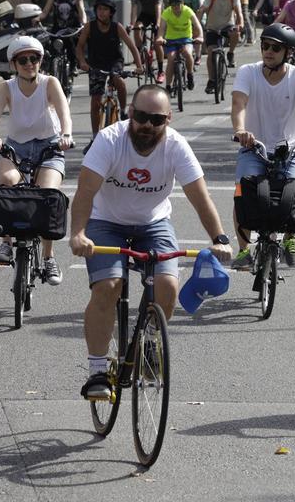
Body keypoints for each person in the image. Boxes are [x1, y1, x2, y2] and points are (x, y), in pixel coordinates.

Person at [69, 84, 233, 400]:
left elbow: (200, 196)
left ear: (168, 120)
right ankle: (98, 370)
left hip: (153, 223)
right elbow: (86, 192)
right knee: (108, 285)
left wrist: (220, 238)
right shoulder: (110, 140)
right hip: (106, 222)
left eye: (156, 120)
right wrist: (78, 233)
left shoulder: (175, 146)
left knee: (167, 285)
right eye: (141, 117)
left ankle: (149, 344)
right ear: (130, 113)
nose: (147, 125)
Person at [0, 35, 74, 283]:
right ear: (13, 64)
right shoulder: (7, 88)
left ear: (40, 60)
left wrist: (66, 135)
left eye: (34, 58)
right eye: (22, 60)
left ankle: (49, 258)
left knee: (48, 194)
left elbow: (64, 112)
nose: (29, 63)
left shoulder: (49, 83)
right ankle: (5, 243)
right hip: (16, 147)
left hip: (50, 146)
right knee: (6, 180)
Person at [230, 23, 295, 269]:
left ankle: (291, 239)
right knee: (242, 194)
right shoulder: (248, 71)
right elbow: (239, 105)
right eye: (264, 46)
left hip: (290, 151)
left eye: (275, 48)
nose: (268, 51)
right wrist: (240, 131)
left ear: (288, 52)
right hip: (254, 148)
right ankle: (243, 250)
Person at [76, 0, 143, 140]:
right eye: (99, 9)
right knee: (95, 102)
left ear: (111, 12)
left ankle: (124, 111)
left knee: (118, 80)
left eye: (105, 9)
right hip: (95, 64)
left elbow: (131, 46)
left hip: (114, 62)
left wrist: (139, 65)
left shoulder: (117, 27)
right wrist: (82, 62)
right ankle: (95, 137)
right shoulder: (89, 26)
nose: (101, 12)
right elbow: (80, 46)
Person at [200, 0, 244, 83]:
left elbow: (239, 13)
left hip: (227, 26)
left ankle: (231, 53)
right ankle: (211, 80)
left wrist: (240, 24)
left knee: (235, 32)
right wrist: (197, 26)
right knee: (210, 53)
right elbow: (201, 10)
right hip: (212, 28)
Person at [156, 0, 203, 90]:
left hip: (186, 38)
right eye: (173, 3)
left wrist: (200, 37)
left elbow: (197, 25)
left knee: (187, 53)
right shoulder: (166, 13)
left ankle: (190, 75)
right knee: (171, 58)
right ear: (170, 4)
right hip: (171, 39)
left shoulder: (187, 11)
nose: (176, 6)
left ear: (182, 3)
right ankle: (168, 85)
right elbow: (162, 29)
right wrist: (160, 38)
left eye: (178, 3)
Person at [131, 0, 165, 83]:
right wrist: (132, 24)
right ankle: (142, 52)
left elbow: (158, 7)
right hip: (145, 14)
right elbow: (134, 9)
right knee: (136, 28)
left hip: (157, 15)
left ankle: (160, 71)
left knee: (157, 43)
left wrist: (158, 24)